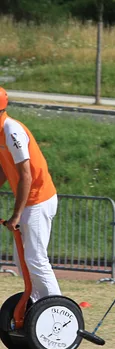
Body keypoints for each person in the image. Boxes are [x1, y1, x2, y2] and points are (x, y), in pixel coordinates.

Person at [0, 87, 61, 302]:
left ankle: (56, 308)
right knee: (22, 260)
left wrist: (16, 215)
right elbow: (4, 169)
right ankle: (36, 305)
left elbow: (26, 175)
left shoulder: (11, 130)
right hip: (30, 200)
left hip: (38, 199)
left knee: (35, 259)